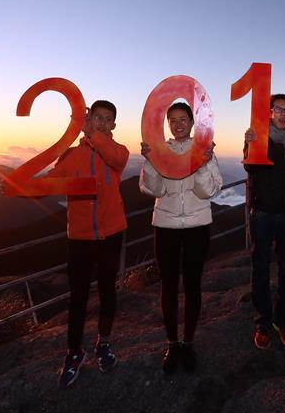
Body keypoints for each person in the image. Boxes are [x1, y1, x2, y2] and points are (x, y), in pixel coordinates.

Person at [48, 100, 130, 388]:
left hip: (111, 235)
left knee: (108, 292)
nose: (102, 122)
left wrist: (92, 135)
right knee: (78, 298)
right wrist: (18, 186)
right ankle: (74, 353)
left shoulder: (118, 152)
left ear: (113, 126)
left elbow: (116, 160)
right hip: (80, 238)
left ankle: (103, 343)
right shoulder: (73, 156)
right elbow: (52, 182)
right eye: (97, 117)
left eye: (108, 119)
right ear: (89, 119)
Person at [139, 102, 222, 372]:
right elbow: (153, 188)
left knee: (193, 285)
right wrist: (151, 162)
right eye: (172, 120)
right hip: (165, 226)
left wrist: (202, 163)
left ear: (192, 122)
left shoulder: (206, 151)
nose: (178, 124)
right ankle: (172, 344)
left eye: (183, 119)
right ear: (167, 123)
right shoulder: (160, 150)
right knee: (169, 286)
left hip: (198, 225)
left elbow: (209, 191)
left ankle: (188, 343)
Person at [243, 94, 285, 350]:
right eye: (278, 110)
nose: (282, 114)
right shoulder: (258, 138)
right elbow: (250, 169)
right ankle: (263, 322)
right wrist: (248, 146)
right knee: (260, 270)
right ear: (269, 113)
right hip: (262, 212)